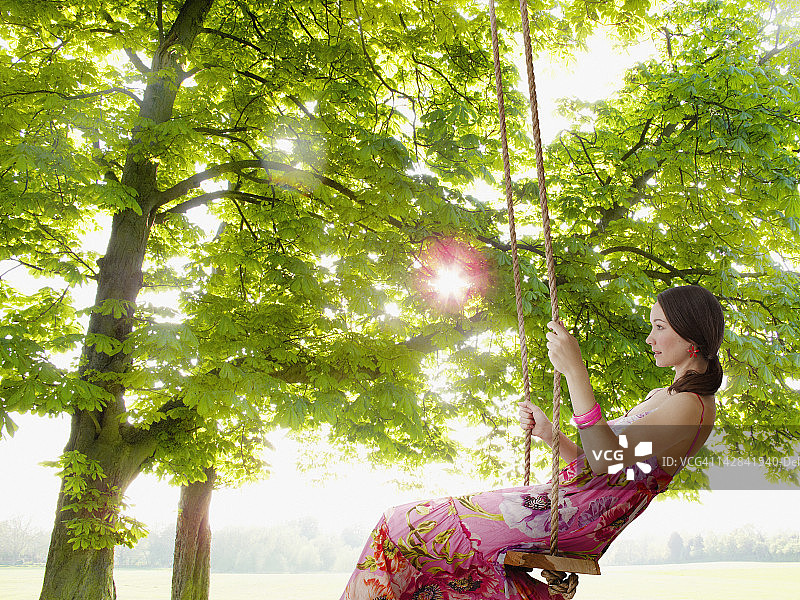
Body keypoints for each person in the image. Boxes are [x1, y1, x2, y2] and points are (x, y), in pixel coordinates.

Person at [340, 285, 724, 600]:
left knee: (401, 526)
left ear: (691, 336)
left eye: (659, 327)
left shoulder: (692, 408)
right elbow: (610, 467)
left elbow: (607, 460)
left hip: (576, 515)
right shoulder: (667, 396)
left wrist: (575, 371)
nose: (649, 337)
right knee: (421, 546)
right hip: (571, 504)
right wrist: (550, 435)